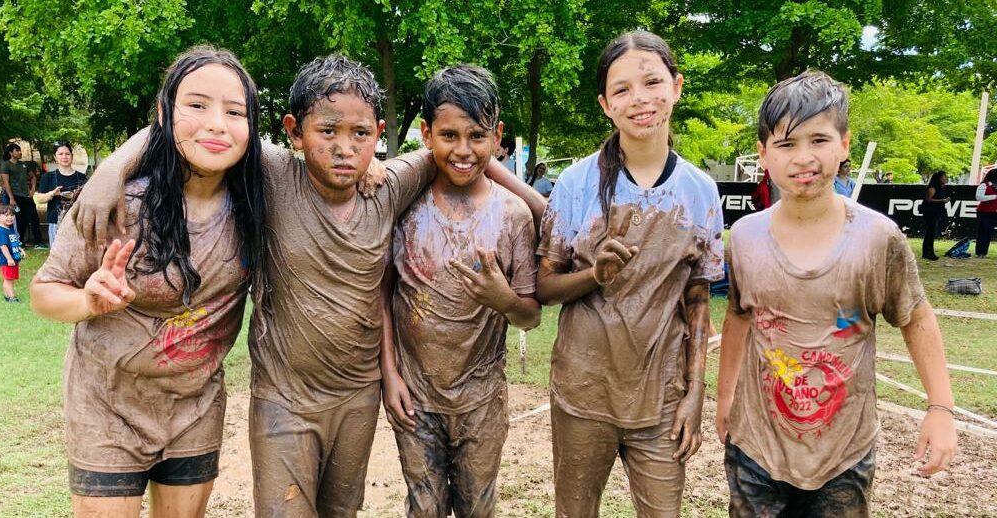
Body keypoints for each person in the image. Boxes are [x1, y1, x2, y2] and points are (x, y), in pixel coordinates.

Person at [73, 54, 544, 517]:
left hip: (358, 396)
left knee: (343, 509)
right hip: (284, 398)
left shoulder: (389, 184)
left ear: (378, 134)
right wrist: (111, 169)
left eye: (360, 133)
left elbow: (459, 151)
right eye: (327, 131)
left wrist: (541, 207)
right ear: (294, 131)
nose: (344, 148)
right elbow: (193, 128)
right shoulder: (274, 174)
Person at [30, 46, 266, 518]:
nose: (217, 123)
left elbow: (329, 156)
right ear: (164, 113)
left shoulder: (260, 204)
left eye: (234, 111)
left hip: (194, 409)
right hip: (106, 407)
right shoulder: (117, 205)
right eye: (197, 105)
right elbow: (44, 291)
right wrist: (88, 302)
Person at [716, 70, 957, 518]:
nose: (803, 157)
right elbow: (739, 318)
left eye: (819, 140)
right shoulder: (745, 238)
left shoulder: (877, 238)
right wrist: (725, 398)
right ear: (764, 154)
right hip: (755, 448)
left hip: (843, 454)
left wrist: (940, 408)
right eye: (786, 144)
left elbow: (917, 318)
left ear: (844, 144)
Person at [535, 31, 723, 517]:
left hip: (661, 398)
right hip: (583, 391)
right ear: (605, 105)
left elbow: (698, 302)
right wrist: (594, 274)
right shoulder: (576, 184)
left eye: (652, 82)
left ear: (676, 87)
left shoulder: (699, 192)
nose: (639, 99)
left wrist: (694, 395)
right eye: (621, 89)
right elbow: (544, 286)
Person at [380, 65, 541, 518]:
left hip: (482, 399)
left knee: (478, 506)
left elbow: (531, 315)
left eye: (477, 136)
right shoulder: (405, 208)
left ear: (498, 136)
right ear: (426, 134)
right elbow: (384, 297)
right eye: (449, 135)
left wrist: (504, 299)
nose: (463, 150)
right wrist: (389, 374)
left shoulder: (512, 216)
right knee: (424, 507)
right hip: (414, 393)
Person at [35, 141, 88, 247]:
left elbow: (89, 200)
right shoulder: (48, 177)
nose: (64, 157)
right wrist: (52, 194)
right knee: (57, 257)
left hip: (77, 223)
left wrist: (75, 196)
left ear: (72, 156)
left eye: (67, 154)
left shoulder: (82, 177)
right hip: (55, 222)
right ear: (55, 157)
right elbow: (38, 199)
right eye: (60, 154)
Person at [0, 142, 45, 247]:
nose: (20, 152)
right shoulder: (6, 165)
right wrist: (11, 198)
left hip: (27, 196)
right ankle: (20, 242)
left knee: (34, 217)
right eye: (17, 151)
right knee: (20, 219)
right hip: (15, 196)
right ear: (11, 152)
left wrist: (33, 189)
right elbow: (6, 183)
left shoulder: (23, 164)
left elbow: (33, 177)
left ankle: (38, 242)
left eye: (20, 150)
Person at [0, 204, 24, 302]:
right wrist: (9, 259)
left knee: (9, 278)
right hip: (7, 260)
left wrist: (20, 249)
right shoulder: (1, 231)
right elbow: (3, 246)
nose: (10, 217)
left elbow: (13, 242)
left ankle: (7, 296)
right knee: (8, 279)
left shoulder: (10, 229)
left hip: (14, 259)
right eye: (6, 215)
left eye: (11, 215)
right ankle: (12, 297)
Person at [921, 170, 949, 260]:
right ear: (939, 178)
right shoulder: (932, 188)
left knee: (932, 232)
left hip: (937, 211)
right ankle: (928, 252)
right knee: (930, 232)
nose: (945, 178)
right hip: (930, 211)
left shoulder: (942, 188)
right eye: (943, 177)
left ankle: (928, 252)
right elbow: (928, 199)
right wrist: (942, 200)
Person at [974, 168, 997, 257]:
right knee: (983, 231)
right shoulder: (984, 185)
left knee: (989, 232)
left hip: (993, 212)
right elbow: (979, 197)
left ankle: (984, 252)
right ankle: (979, 252)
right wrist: (994, 196)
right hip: (983, 212)